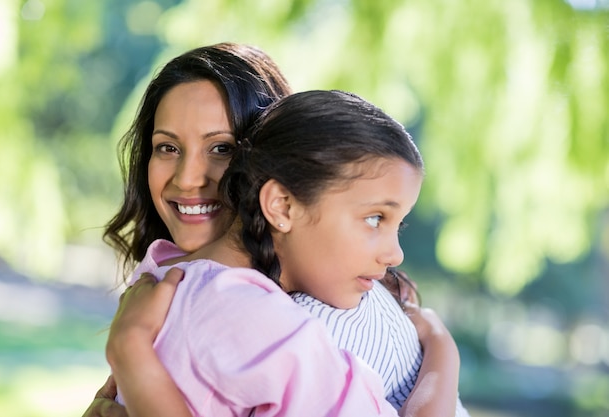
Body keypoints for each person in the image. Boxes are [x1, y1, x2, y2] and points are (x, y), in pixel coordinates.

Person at [82, 43, 467, 416]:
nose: (187, 180)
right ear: (279, 202)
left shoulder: (162, 279)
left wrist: (133, 358)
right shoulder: (261, 320)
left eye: (222, 149)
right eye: (167, 147)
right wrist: (438, 342)